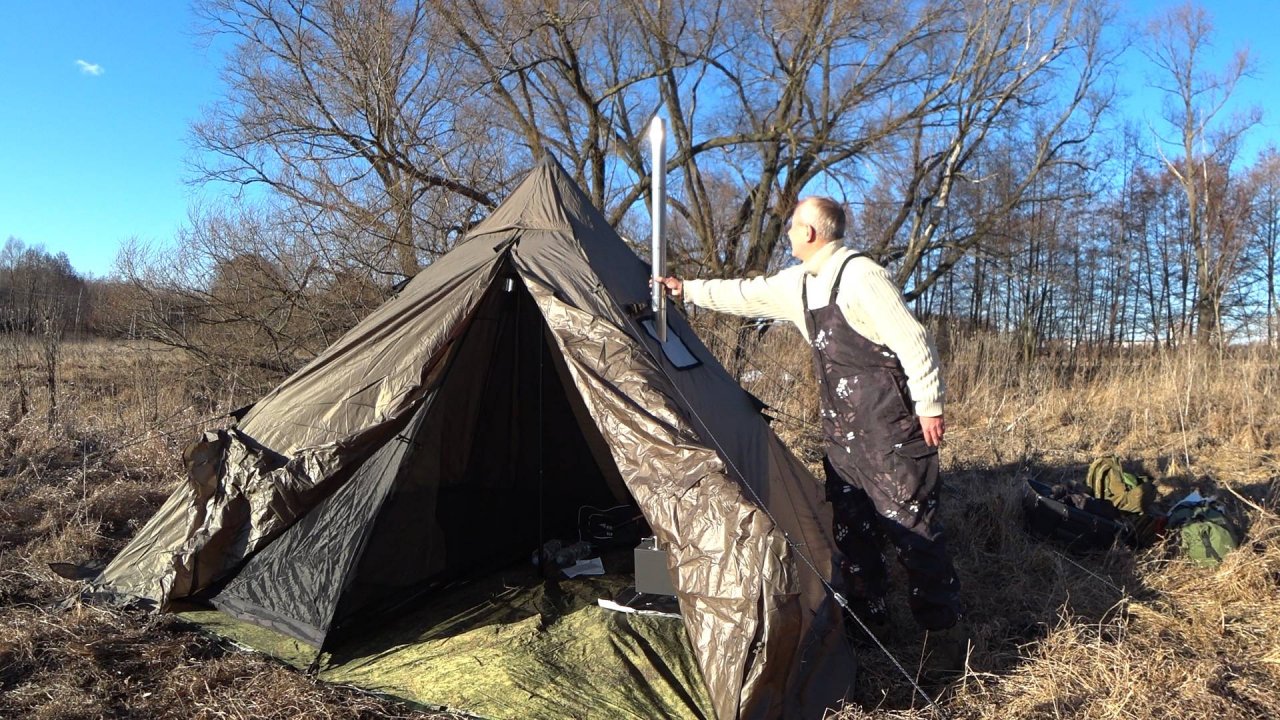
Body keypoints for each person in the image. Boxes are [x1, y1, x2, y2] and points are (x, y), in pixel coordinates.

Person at [658, 196, 963, 644]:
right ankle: (869, 619)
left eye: (792, 226)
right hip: (840, 433)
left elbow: (912, 339)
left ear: (811, 232)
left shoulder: (863, 276)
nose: (787, 233)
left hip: (890, 426)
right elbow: (745, 293)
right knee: (851, 526)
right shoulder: (798, 282)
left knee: (912, 524)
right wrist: (688, 290)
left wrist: (929, 405)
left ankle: (943, 633)